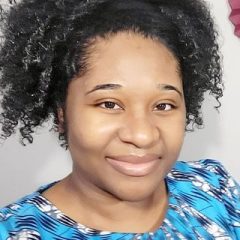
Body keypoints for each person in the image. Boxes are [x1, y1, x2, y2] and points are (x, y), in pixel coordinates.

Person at [0, 0, 239, 239]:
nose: (143, 136)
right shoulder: (16, 232)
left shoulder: (213, 187)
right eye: (109, 104)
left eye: (163, 105)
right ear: (61, 112)